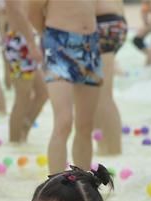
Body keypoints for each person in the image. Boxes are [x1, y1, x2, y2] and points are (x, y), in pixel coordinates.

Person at [25, 0, 102, 173]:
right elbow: (33, 11)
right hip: (58, 43)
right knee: (63, 121)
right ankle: (55, 184)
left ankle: (83, 182)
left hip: (90, 44)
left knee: (86, 124)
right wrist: (48, 37)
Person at [4, 0, 46, 143]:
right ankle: (15, 142)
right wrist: (32, 45)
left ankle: (23, 133)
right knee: (22, 98)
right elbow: (17, 11)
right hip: (21, 41)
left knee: (43, 93)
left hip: (28, 39)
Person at [94, 0, 127, 155]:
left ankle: (114, 152)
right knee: (94, 97)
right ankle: (105, 148)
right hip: (115, 21)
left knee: (102, 96)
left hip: (102, 23)